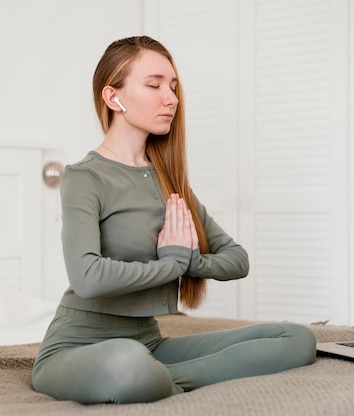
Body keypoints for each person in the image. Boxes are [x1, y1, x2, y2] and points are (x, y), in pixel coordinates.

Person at [31, 36, 316, 404]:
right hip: (78, 347)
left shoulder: (168, 180)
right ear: (112, 97)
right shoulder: (85, 177)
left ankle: (160, 380)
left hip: (148, 343)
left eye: (173, 86)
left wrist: (187, 259)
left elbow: (237, 259)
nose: (172, 98)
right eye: (154, 85)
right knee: (129, 364)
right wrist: (172, 264)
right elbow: (87, 278)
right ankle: (151, 377)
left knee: (296, 339)